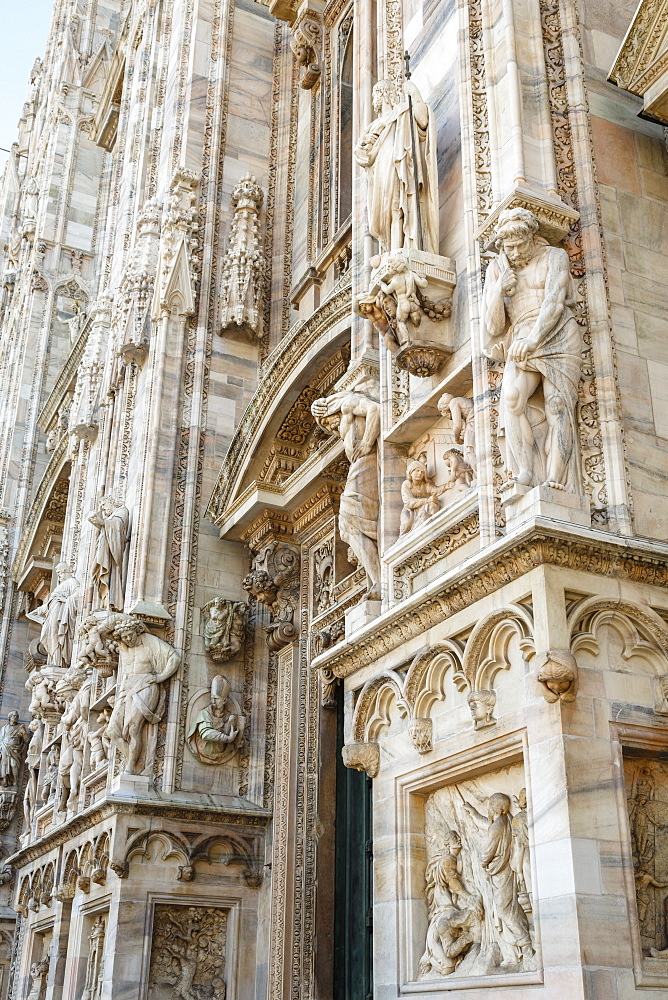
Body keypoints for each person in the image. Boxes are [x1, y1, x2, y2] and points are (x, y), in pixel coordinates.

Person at [482, 208, 581, 491]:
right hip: (522, 333)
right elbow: (493, 326)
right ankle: (526, 471)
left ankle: (555, 478)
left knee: (557, 404)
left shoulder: (554, 257)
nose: (513, 252)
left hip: (557, 332)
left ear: (531, 238)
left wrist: (533, 340)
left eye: (518, 245)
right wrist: (499, 291)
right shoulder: (498, 269)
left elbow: (554, 301)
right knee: (512, 399)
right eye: (508, 247)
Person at [311, 376, 381, 599]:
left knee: (348, 522)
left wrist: (368, 442)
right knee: (348, 526)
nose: (330, 427)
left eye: (326, 421)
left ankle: (380, 580)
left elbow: (376, 410)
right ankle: (379, 578)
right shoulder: (343, 413)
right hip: (361, 464)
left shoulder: (348, 402)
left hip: (368, 461)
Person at [355, 78, 439, 254]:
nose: (373, 101)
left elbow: (423, 121)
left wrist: (415, 94)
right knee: (384, 213)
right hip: (379, 172)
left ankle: (396, 251)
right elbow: (361, 155)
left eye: (375, 95)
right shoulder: (372, 126)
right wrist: (366, 144)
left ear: (384, 94)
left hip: (397, 162)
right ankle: (388, 251)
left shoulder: (402, 111)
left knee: (397, 206)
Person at [464, 792, 534, 966]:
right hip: (500, 873)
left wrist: (481, 861)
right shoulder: (504, 820)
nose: (488, 807)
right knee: (507, 910)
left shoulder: (499, 825)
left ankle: (526, 948)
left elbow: (488, 851)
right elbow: (485, 824)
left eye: (490, 804)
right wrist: (472, 812)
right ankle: (517, 951)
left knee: (506, 910)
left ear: (496, 806)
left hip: (502, 873)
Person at [105, 615, 180, 774]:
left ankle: (131, 766)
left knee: (134, 727)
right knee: (112, 730)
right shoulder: (123, 645)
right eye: (124, 637)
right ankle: (137, 758)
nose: (127, 639)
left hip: (146, 685)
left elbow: (174, 658)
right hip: (127, 688)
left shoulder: (149, 641)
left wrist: (160, 677)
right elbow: (101, 631)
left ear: (136, 631)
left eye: (130, 635)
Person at [27, 563, 80, 667]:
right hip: (52, 614)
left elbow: (78, 594)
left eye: (60, 572)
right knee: (48, 635)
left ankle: (58, 662)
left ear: (66, 571)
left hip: (61, 614)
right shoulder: (60, 586)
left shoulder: (72, 582)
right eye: (58, 573)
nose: (59, 575)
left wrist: (66, 600)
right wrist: (38, 611)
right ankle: (52, 661)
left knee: (56, 635)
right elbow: (51, 603)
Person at [187, 674, 244, 765]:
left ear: (224, 701)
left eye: (217, 699)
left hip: (223, 754)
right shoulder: (204, 713)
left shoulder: (229, 716)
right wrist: (227, 738)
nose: (213, 702)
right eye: (212, 698)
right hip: (204, 752)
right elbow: (206, 733)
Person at [88, 497, 130, 611]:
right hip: (104, 549)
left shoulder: (122, 510)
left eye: (104, 505)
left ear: (111, 502)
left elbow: (118, 526)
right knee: (96, 572)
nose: (103, 508)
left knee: (108, 574)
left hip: (111, 551)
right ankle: (105, 602)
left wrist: (102, 522)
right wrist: (99, 523)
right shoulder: (110, 517)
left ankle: (111, 603)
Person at [400, 460, 447, 535]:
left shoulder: (426, 485)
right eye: (417, 471)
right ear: (411, 473)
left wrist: (447, 485)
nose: (419, 474)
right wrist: (427, 500)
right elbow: (408, 503)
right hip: (410, 511)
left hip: (423, 508)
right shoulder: (406, 484)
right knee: (406, 525)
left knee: (432, 507)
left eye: (422, 472)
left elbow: (436, 490)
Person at [0, 712, 29, 787]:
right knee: (4, 764)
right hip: (4, 747)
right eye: (13, 716)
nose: (15, 717)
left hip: (15, 749)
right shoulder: (4, 728)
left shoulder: (20, 727)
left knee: (14, 765)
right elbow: (1, 739)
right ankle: (4, 780)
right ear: (9, 717)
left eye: (16, 716)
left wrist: (24, 733)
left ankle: (15, 781)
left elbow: (26, 740)